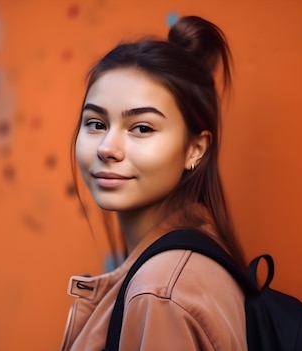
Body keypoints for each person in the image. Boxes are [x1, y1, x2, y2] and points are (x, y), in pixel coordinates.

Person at [62, 15, 248, 350]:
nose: (107, 148)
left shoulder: (160, 293)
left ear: (195, 149)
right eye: (96, 123)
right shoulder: (187, 261)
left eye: (142, 128)